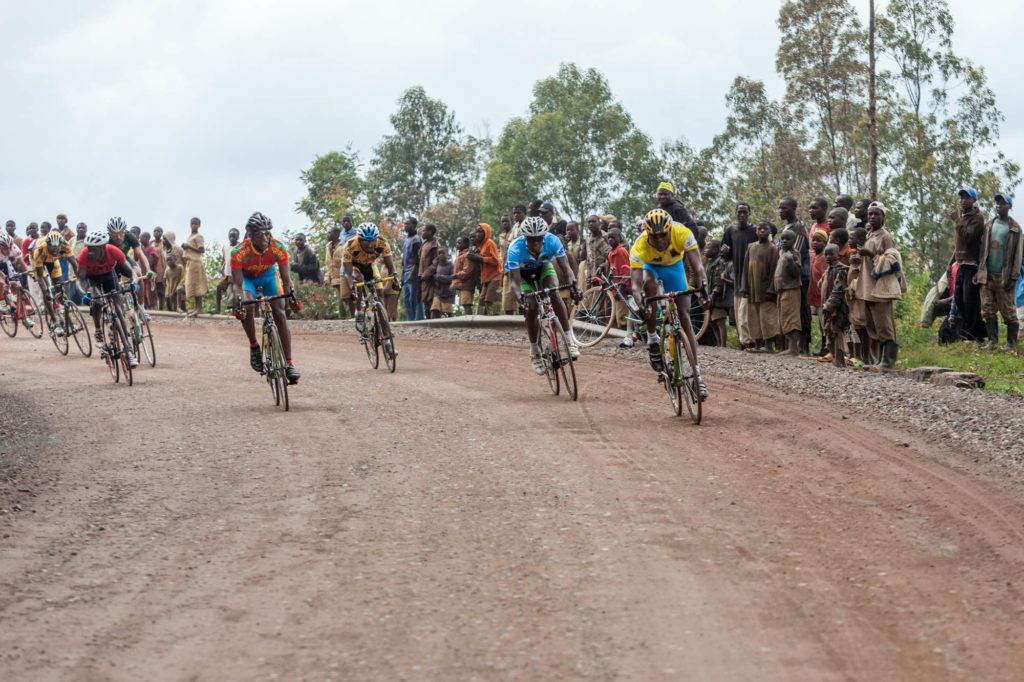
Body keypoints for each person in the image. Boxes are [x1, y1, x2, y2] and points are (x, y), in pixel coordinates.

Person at [628, 208, 708, 398]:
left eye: (663, 235)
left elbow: (698, 268)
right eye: (654, 237)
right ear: (647, 234)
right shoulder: (639, 246)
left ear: (670, 230)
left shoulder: (683, 233)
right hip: (651, 269)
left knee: (684, 316)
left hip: (674, 268)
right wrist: (642, 304)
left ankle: (697, 375)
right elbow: (636, 286)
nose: (660, 240)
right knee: (649, 286)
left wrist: (704, 291)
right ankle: (653, 337)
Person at [230, 212, 301, 384]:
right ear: (250, 235)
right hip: (248, 280)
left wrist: (292, 296)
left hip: (269, 277)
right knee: (247, 307)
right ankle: (254, 345)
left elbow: (286, 279)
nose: (265, 238)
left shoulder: (278, 247)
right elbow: (238, 285)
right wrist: (238, 303)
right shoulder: (238, 252)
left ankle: (289, 363)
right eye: (260, 234)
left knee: (279, 312)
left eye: (267, 233)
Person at [506, 216, 579, 373]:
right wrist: (521, 301)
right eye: (531, 240)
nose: (536, 244)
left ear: (544, 236)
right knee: (531, 307)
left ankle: (568, 340)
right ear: (524, 238)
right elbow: (515, 283)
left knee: (554, 293)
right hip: (522, 275)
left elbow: (566, 269)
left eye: (539, 239)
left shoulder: (553, 241)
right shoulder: (515, 248)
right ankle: (535, 351)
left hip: (543, 268)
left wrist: (574, 287)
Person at [76, 230, 138, 367]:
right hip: (92, 279)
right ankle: (98, 331)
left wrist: (134, 283)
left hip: (110, 275)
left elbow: (130, 272)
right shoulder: (84, 255)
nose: (90, 252)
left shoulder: (113, 251)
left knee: (118, 308)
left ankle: (127, 349)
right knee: (97, 299)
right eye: (89, 249)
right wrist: (84, 295)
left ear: (103, 248)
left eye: (93, 250)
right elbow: (79, 281)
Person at [976, 193, 1022, 350]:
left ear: (1009, 206)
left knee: (1008, 309)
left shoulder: (1015, 228)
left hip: (1005, 276)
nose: (999, 205)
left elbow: (1018, 255)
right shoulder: (989, 225)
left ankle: (1011, 343)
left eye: (1003, 203)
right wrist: (979, 271)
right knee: (987, 308)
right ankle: (992, 341)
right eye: (997, 203)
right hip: (987, 274)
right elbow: (982, 250)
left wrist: (1013, 276)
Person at [860, 202, 903, 368]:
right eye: (870, 214)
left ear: (883, 217)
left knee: (884, 323)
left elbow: (892, 260)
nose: (872, 217)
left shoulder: (885, 236)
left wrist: (870, 254)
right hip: (867, 286)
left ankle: (888, 360)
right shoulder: (869, 234)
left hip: (881, 287)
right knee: (872, 324)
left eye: (876, 214)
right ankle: (879, 358)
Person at [342, 222, 400, 334]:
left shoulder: (382, 243)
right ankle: (359, 312)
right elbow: (348, 273)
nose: (370, 245)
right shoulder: (350, 246)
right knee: (358, 279)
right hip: (355, 268)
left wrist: (395, 279)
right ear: (359, 240)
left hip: (370, 266)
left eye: (372, 240)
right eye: (366, 241)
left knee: (380, 295)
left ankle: (386, 334)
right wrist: (352, 287)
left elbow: (391, 266)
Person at [949, 188, 988, 341]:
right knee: (958, 297)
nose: (963, 200)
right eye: (961, 198)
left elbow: (969, 237)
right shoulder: (963, 217)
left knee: (971, 300)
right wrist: (950, 263)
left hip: (972, 264)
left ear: (974, 201)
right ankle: (971, 331)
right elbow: (959, 244)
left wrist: (956, 220)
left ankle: (977, 334)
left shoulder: (978, 218)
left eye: (967, 198)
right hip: (961, 263)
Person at [739, 221, 781, 352]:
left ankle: (769, 345)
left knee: (767, 317)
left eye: (765, 229)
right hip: (752, 289)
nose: (762, 231)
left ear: (769, 232)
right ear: (756, 231)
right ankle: (757, 344)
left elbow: (775, 269)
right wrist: (744, 288)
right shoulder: (751, 247)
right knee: (753, 316)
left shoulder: (773, 248)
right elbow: (745, 268)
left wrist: (771, 289)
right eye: (759, 229)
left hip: (766, 289)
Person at [722, 203, 759, 349]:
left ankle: (751, 341)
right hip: (737, 277)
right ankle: (744, 343)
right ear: (735, 213)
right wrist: (725, 251)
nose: (742, 215)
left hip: (751, 277)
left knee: (747, 312)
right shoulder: (730, 230)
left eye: (745, 212)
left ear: (749, 214)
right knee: (738, 314)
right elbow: (726, 254)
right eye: (739, 212)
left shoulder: (755, 230)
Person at [778, 196, 812, 354]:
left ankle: (803, 347)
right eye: (780, 208)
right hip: (786, 280)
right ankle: (794, 346)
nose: (780, 211)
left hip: (799, 278)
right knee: (789, 310)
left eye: (784, 208)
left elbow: (794, 256)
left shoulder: (798, 227)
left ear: (793, 209)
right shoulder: (787, 227)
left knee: (800, 311)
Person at [31, 232, 75, 333]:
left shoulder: (65, 245)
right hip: (38, 261)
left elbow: (74, 263)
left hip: (53, 260)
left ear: (61, 244)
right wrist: (46, 292)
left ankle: (69, 321)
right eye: (52, 247)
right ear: (47, 244)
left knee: (59, 287)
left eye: (57, 247)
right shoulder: (40, 250)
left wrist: (79, 278)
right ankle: (55, 323)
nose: (55, 249)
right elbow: (40, 276)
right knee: (46, 290)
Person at [818, 243, 850, 367]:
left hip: (837, 306)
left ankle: (839, 359)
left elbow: (838, 290)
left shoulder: (840, 269)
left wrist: (829, 305)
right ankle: (836, 357)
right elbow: (821, 284)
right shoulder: (829, 269)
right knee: (830, 332)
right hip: (827, 305)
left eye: (831, 254)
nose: (828, 257)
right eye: (826, 254)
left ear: (838, 255)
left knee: (837, 331)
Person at [774, 229, 803, 355]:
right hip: (782, 289)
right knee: (785, 317)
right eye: (783, 239)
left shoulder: (794, 254)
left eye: (788, 239)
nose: (784, 241)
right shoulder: (783, 253)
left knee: (792, 318)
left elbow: (797, 272)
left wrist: (791, 261)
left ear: (794, 240)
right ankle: (791, 347)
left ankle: (793, 348)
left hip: (791, 289)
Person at [606, 227, 636, 347]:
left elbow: (626, 270)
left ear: (620, 238)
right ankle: (630, 334)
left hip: (624, 287)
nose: (610, 239)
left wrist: (623, 285)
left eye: (613, 237)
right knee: (625, 313)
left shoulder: (621, 251)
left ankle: (629, 335)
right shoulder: (611, 253)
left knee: (629, 311)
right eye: (608, 237)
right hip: (617, 286)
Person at [467, 223, 501, 315]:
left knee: (489, 300)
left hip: (495, 276)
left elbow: (495, 261)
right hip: (486, 277)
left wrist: (480, 258)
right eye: (476, 231)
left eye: (480, 232)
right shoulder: (480, 246)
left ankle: (492, 321)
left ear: (486, 232)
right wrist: (473, 257)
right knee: (481, 300)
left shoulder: (490, 243)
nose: (477, 234)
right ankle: (481, 322)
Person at [807, 225, 830, 356]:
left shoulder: (824, 259)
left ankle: (827, 348)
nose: (815, 243)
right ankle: (824, 347)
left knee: (825, 323)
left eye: (819, 240)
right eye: (814, 240)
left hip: (823, 296)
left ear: (825, 243)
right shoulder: (816, 257)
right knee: (821, 323)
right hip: (816, 296)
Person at [704, 239, 729, 347]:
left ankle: (723, 345)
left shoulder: (719, 262)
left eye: (708, 248)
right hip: (709, 295)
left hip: (718, 297)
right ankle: (719, 344)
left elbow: (719, 281)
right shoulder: (709, 262)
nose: (705, 250)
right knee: (712, 322)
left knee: (719, 321)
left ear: (715, 250)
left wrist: (713, 294)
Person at [181, 217, 208, 316]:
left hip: (196, 262)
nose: (194, 225)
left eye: (196, 224)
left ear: (199, 225)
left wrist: (188, 246)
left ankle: (199, 308)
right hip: (190, 263)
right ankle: (196, 307)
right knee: (193, 285)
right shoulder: (190, 236)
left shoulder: (198, 236)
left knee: (197, 285)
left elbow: (202, 250)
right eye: (192, 224)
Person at [400, 217, 423, 320]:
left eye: (408, 224)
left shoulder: (416, 239)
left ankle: (418, 319)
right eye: (405, 224)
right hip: (406, 272)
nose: (405, 226)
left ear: (414, 225)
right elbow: (404, 258)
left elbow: (418, 259)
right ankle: (411, 319)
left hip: (413, 272)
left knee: (414, 298)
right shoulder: (406, 240)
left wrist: (412, 273)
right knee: (406, 299)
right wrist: (402, 274)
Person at [215, 228, 241, 313]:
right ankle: (218, 309)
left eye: (234, 236)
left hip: (235, 275)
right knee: (219, 287)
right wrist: (222, 268)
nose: (232, 238)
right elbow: (225, 259)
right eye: (230, 236)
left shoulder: (240, 247)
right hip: (226, 274)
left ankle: (235, 311)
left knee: (233, 293)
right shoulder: (225, 247)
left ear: (238, 237)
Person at [418, 223, 440, 313]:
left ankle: (434, 321)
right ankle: (428, 322)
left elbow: (436, 261)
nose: (422, 233)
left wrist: (427, 273)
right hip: (422, 277)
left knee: (431, 299)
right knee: (425, 299)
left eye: (424, 231)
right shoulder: (424, 244)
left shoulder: (436, 244)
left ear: (430, 232)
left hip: (430, 278)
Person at [451, 235, 476, 315]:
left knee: (466, 304)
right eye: (456, 243)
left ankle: (470, 323)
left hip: (467, 284)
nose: (457, 244)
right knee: (464, 304)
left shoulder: (467, 255)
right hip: (462, 284)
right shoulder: (460, 255)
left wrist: (457, 275)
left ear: (466, 244)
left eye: (459, 243)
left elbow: (468, 270)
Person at [498, 214, 517, 314]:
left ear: (511, 222)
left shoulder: (514, 234)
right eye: (503, 221)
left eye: (507, 221)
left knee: (518, 294)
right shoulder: (501, 236)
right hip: (505, 269)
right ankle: (508, 318)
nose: (505, 223)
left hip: (515, 267)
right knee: (506, 297)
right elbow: (502, 253)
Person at [431, 248, 455, 318]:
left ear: (447, 254)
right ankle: (434, 326)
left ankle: (451, 326)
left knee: (449, 312)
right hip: (438, 292)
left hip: (447, 293)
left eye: (443, 253)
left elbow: (452, 278)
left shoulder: (450, 265)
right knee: (434, 309)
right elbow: (433, 275)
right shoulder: (436, 265)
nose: (441, 255)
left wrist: (440, 277)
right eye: (439, 253)